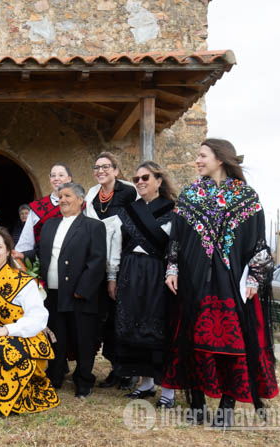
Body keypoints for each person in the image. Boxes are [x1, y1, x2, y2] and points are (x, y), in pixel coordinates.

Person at [163, 139, 278, 427]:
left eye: (203, 155)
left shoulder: (246, 197)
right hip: (194, 281)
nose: (197, 160)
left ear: (221, 158)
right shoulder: (190, 194)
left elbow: (259, 243)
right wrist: (172, 268)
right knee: (193, 341)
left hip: (231, 282)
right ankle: (197, 404)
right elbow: (176, 237)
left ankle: (226, 408)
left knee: (231, 344)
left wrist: (254, 277)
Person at [0, 228, 59, 416]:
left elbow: (38, 318)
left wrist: (7, 330)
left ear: (8, 251)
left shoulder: (25, 282)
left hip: (27, 339)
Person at [26, 183, 106, 397]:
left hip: (78, 293)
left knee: (83, 338)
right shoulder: (50, 224)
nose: (62, 200)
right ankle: (55, 376)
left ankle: (84, 380)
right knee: (56, 336)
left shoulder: (93, 226)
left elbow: (97, 261)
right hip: (52, 292)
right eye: (60, 196)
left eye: (67, 196)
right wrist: (21, 256)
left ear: (80, 200)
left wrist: (83, 289)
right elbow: (40, 252)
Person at [113, 162, 177, 408]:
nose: (140, 182)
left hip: (157, 273)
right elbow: (117, 245)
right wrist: (113, 277)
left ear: (159, 181)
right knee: (134, 326)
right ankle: (146, 383)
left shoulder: (173, 210)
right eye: (136, 178)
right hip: (130, 273)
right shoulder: (129, 211)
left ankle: (168, 390)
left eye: (145, 177)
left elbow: (176, 246)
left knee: (158, 328)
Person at [83, 151, 138, 390]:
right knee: (105, 318)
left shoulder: (129, 192)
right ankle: (116, 368)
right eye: (97, 167)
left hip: (124, 261)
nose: (101, 171)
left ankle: (129, 370)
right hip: (100, 262)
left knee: (123, 315)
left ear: (116, 170)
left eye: (106, 166)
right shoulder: (92, 196)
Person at [14, 163, 73, 255]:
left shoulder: (80, 205)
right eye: (53, 176)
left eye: (61, 175)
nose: (56, 178)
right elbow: (26, 242)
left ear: (69, 179)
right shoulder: (37, 207)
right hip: (45, 259)